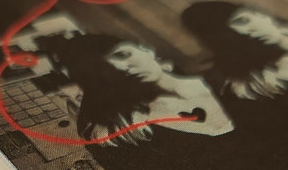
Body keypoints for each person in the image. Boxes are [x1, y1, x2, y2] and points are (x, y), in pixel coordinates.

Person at [37, 33, 233, 147]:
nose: (123, 68)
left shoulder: (225, 83)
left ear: (146, 49)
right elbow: (92, 131)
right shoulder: (133, 121)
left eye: (123, 54)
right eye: (106, 70)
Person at [180, 1, 288, 100]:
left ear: (257, 12)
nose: (246, 32)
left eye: (242, 20)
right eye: (229, 34)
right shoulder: (271, 73)